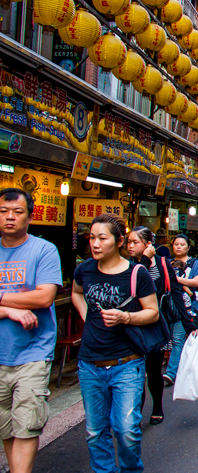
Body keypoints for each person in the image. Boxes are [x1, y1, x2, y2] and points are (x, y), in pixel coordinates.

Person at [72, 214, 159, 473]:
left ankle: (132, 470)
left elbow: (152, 312)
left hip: (127, 362)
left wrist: (126, 317)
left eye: (102, 238)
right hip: (90, 363)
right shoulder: (85, 269)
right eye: (91, 238)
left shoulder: (136, 273)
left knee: (126, 430)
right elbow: (77, 292)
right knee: (95, 431)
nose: (95, 244)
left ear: (118, 240)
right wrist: (87, 314)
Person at [0, 188, 61, 473]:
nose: (9, 217)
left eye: (17, 212)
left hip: (33, 352)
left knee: (27, 424)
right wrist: (10, 309)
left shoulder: (44, 250)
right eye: (3, 211)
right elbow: (31, 296)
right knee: (5, 426)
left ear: (30, 216)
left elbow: (43, 297)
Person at [127, 227, 195, 425]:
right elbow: (131, 287)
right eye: (129, 242)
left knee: (154, 370)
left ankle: (157, 405)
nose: (130, 246)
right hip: (132, 325)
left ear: (148, 245)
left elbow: (175, 292)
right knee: (135, 371)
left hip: (155, 326)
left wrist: (188, 322)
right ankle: (136, 413)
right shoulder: (128, 265)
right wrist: (144, 261)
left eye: (135, 242)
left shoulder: (163, 265)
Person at [167, 234, 198, 365]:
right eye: (176, 244)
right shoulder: (167, 263)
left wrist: (174, 279)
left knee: (177, 338)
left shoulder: (193, 263)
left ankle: (171, 372)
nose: (178, 247)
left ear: (188, 247)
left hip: (186, 306)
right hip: (168, 305)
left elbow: (196, 282)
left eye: (182, 245)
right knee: (170, 339)